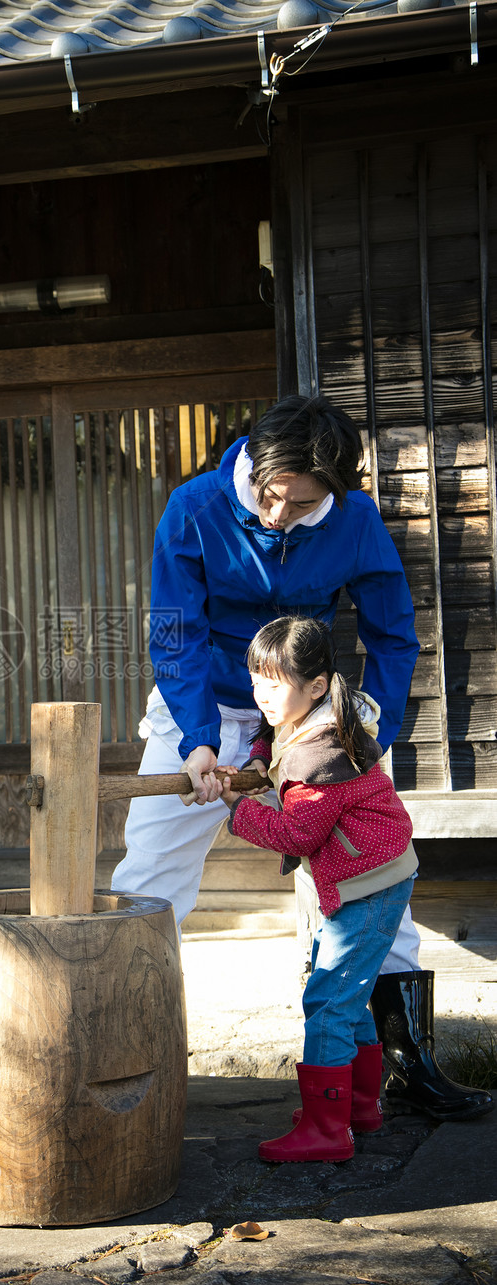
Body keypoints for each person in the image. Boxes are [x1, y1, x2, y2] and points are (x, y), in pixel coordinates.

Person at [111, 394, 492, 1122]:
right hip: (206, 701)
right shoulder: (194, 507)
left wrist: (366, 722)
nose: (280, 516)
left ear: (334, 493)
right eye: (271, 497)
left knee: (371, 869)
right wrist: (196, 740)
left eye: (303, 504)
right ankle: (127, 1053)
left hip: (311, 714)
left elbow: (393, 631)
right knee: (151, 876)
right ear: (253, 465)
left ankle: (409, 1063)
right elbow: (175, 635)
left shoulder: (354, 520)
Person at [215, 616, 419, 1160]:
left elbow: (297, 832)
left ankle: (329, 1131)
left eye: (273, 684)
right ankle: (356, 1107)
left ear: (317, 685)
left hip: (368, 885)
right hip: (365, 874)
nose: (260, 696)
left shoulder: (318, 757)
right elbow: (270, 735)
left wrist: (236, 807)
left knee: (328, 998)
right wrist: (257, 762)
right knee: (348, 997)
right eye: (255, 679)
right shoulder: (316, 718)